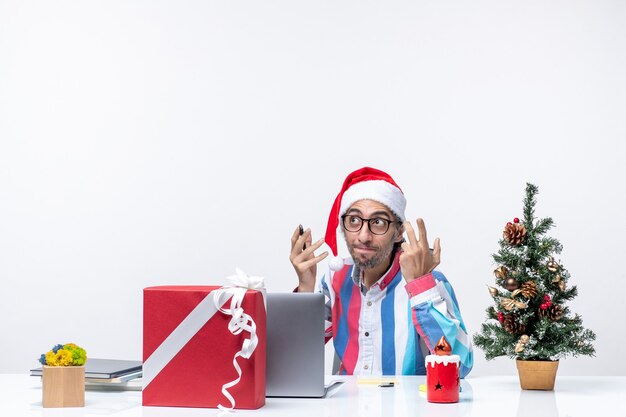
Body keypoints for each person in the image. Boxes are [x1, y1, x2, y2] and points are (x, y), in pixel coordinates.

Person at [289, 167, 473, 377]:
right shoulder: (335, 280)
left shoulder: (429, 283)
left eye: (378, 222)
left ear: (398, 232)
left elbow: (461, 367)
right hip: (346, 407)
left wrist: (421, 288)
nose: (364, 236)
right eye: (354, 221)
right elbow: (296, 356)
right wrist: (305, 287)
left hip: (407, 407)